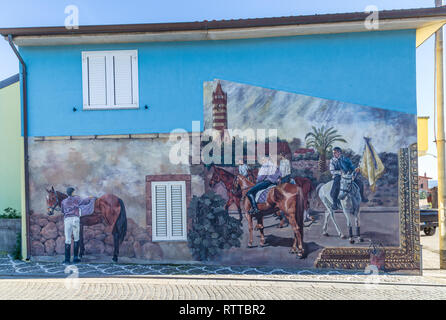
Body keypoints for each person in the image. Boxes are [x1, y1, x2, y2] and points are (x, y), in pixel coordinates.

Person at [61, 187, 87, 264]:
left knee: (68, 239)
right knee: (76, 238)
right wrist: (90, 198)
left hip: (67, 220)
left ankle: (67, 260)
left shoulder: (63, 201)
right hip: (75, 219)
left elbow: (62, 211)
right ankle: (75, 258)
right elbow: (84, 202)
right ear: (72, 193)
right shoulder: (77, 199)